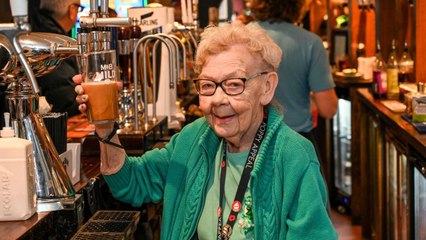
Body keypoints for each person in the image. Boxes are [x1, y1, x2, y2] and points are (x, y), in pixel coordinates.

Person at [73, 23, 337, 239]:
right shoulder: (194, 139)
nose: (218, 100)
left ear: (267, 87)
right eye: (208, 85)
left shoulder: (294, 157)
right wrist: (105, 127)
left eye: (234, 84)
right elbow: (132, 183)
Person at [241, 0, 338, 158]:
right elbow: (328, 109)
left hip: (248, 144)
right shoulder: (311, 43)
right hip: (297, 144)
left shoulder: (240, 39)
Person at [28, 0, 82, 116]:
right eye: (79, 8)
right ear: (72, 10)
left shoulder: (31, 31)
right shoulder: (58, 44)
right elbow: (65, 100)